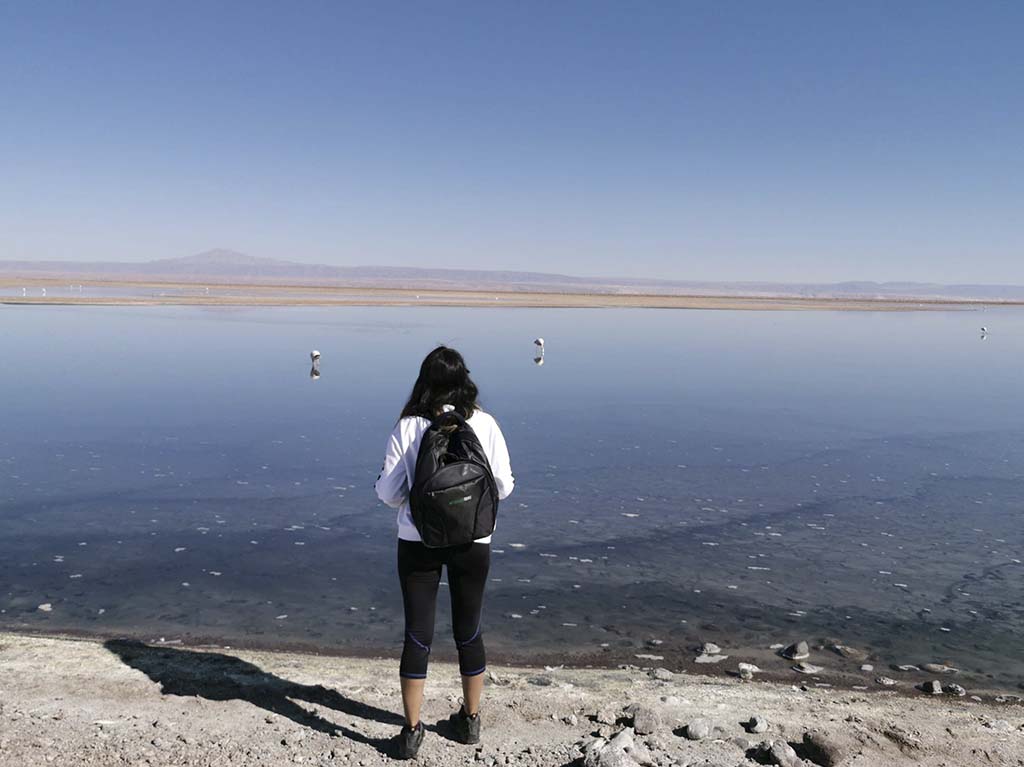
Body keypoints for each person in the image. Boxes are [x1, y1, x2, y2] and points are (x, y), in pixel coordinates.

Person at [375, 346, 515, 760]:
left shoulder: (410, 425)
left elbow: (388, 494)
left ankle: (412, 732)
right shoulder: (485, 423)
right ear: (465, 380)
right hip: (474, 542)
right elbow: (503, 486)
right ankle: (470, 722)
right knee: (468, 630)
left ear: (424, 381)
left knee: (418, 634)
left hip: (418, 542)